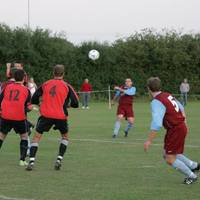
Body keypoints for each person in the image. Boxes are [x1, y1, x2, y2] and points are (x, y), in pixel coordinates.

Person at [144, 77, 199, 185]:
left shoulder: (156, 102)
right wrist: (184, 122)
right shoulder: (167, 95)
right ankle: (194, 166)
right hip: (178, 127)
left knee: (169, 158)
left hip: (175, 129)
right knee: (169, 153)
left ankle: (191, 176)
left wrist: (149, 141)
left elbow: (156, 123)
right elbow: (181, 107)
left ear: (148, 89)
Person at [26, 65, 79, 171]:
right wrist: (67, 105)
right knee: (65, 137)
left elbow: (34, 97)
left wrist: (40, 105)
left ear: (53, 73)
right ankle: (59, 159)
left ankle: (31, 161)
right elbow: (76, 103)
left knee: (36, 137)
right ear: (63, 74)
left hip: (46, 115)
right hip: (61, 116)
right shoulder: (66, 86)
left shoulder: (46, 84)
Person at [0, 69, 32, 166]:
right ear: (23, 78)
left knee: (1, 136)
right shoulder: (26, 90)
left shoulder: (7, 87)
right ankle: (22, 160)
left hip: (5, 116)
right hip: (19, 117)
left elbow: (0, 99)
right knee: (24, 136)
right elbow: (27, 107)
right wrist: (30, 108)